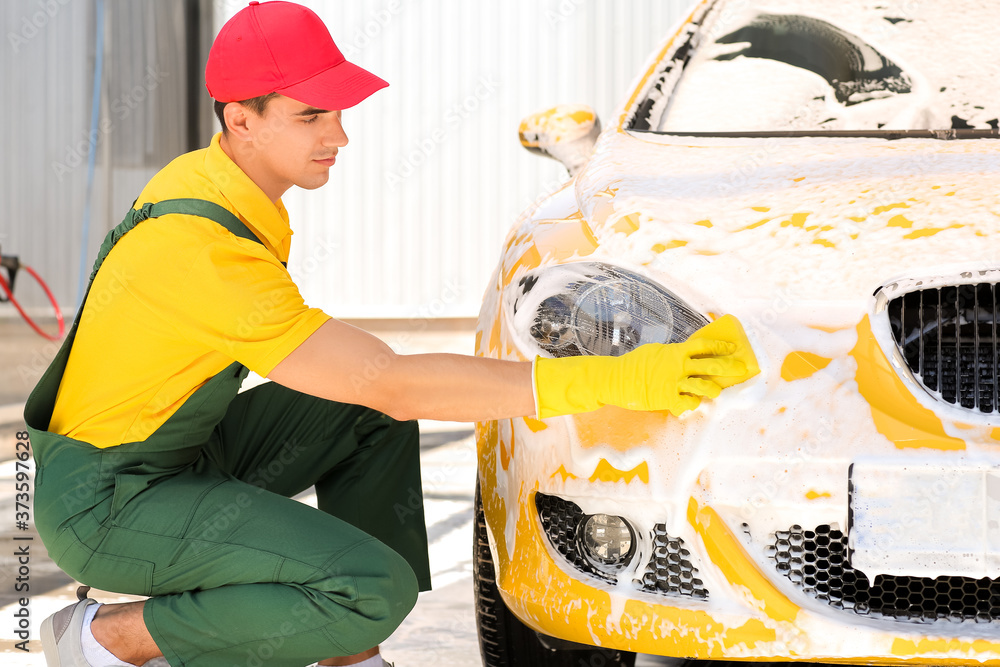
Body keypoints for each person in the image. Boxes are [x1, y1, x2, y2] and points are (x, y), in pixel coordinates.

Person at [26, 2, 752, 666]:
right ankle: (108, 637)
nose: (338, 135)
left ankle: (349, 649)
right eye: (311, 115)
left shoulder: (216, 185)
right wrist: (617, 380)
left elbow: (370, 391)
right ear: (240, 119)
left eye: (337, 113)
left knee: (362, 415)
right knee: (373, 580)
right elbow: (394, 383)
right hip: (109, 503)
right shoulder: (202, 248)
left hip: (172, 454)